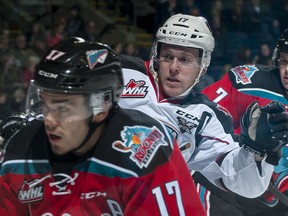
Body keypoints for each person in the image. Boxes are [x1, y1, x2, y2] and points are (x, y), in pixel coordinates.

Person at [0, 37, 205, 215]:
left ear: (101, 106)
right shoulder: (22, 149)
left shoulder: (142, 150)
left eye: (64, 108)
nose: (49, 120)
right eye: (45, 104)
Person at [117, 13, 288, 212]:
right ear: (156, 55)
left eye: (185, 59)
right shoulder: (120, 71)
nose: (174, 67)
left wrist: (256, 151)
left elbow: (241, 181)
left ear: (202, 65)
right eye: (167, 56)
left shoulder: (206, 118)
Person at [201, 29, 288, 215]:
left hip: (272, 198)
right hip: (228, 184)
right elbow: (197, 119)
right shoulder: (250, 84)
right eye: (285, 61)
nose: (287, 70)